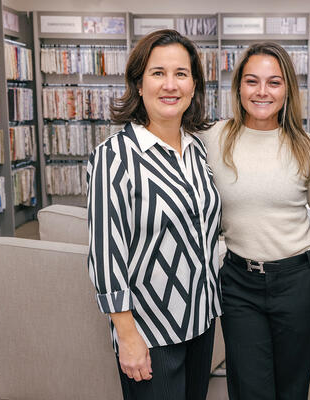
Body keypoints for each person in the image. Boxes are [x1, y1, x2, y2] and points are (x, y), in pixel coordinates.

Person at [86, 29, 221, 400]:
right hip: (149, 331)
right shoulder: (114, 157)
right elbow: (105, 254)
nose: (170, 84)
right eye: (157, 72)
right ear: (139, 84)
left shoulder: (198, 150)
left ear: (194, 86)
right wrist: (127, 336)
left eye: (181, 73)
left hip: (201, 320)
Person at [197, 42, 310, 400]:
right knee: (250, 388)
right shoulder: (212, 139)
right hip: (239, 284)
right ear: (238, 88)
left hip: (298, 281)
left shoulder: (306, 146)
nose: (262, 92)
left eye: (274, 82)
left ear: (287, 90)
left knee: (293, 388)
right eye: (252, 81)